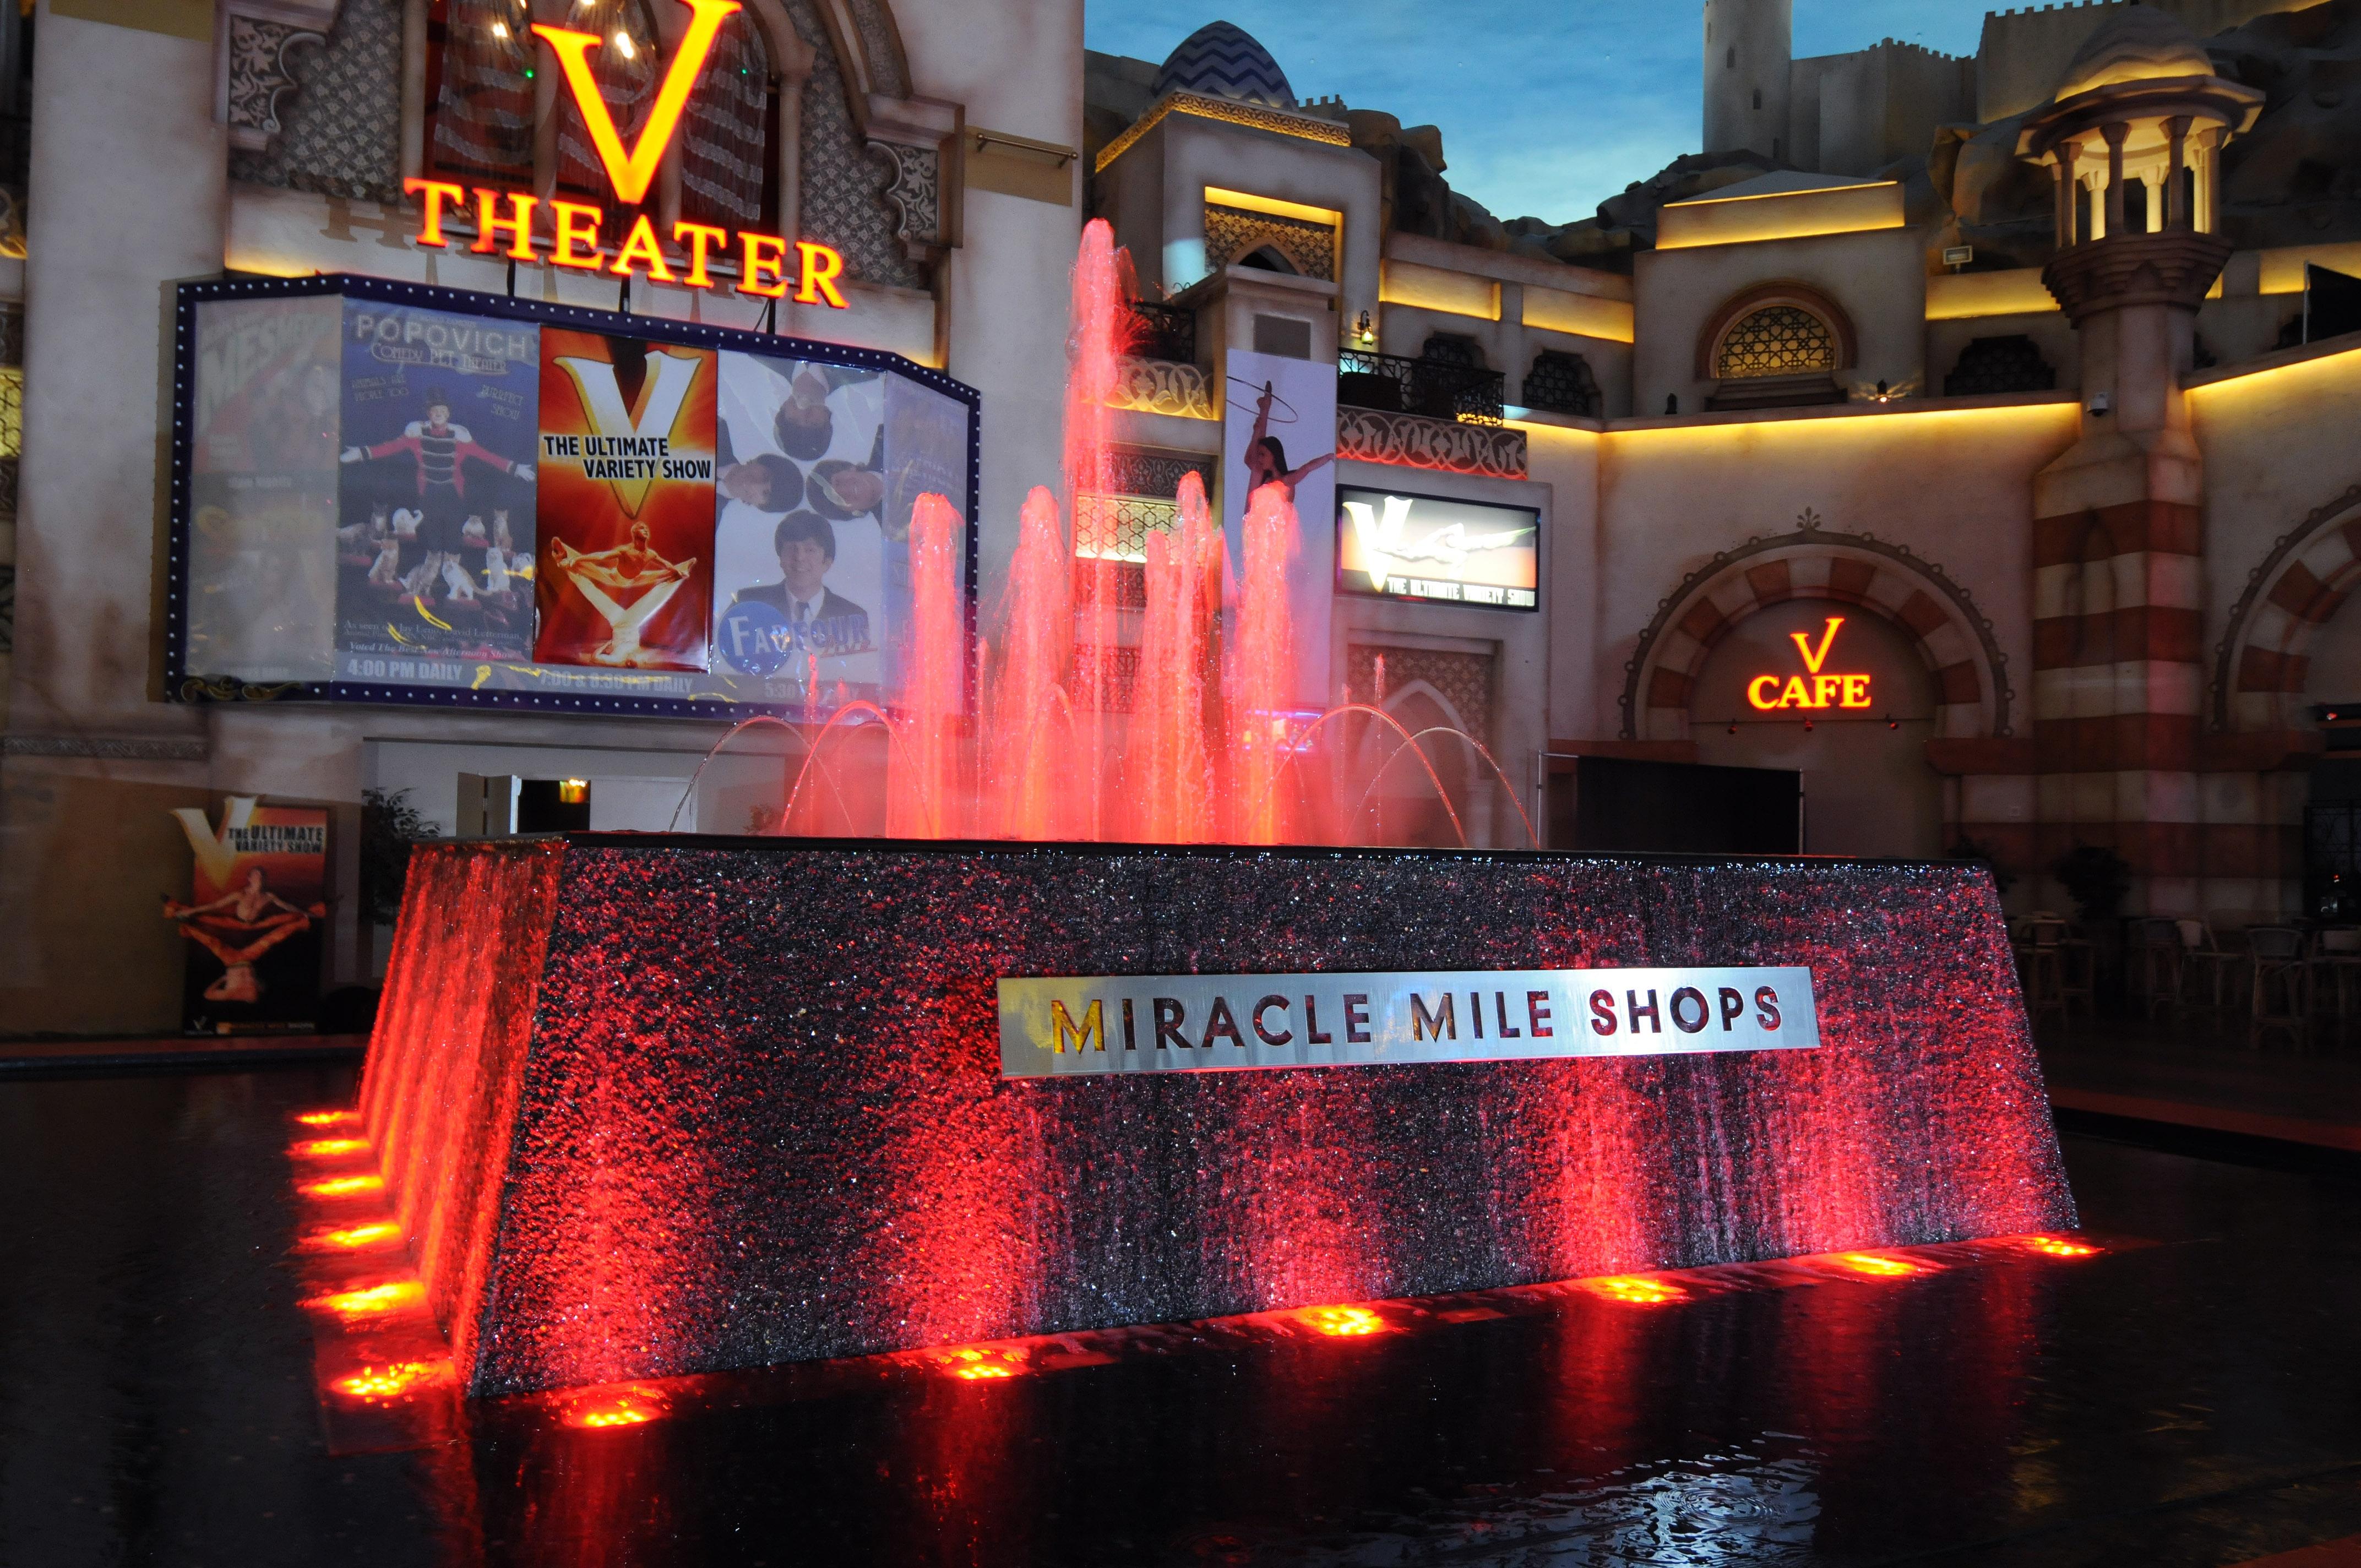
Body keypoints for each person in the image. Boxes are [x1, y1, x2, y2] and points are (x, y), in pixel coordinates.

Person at [340, 387, 534, 605]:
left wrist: (515, 469)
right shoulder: (416, 434)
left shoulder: (460, 437)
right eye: (434, 411)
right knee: (432, 545)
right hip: (429, 496)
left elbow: (486, 456)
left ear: (448, 414)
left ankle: (454, 588)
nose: (438, 414)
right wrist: (361, 453)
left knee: (452, 543)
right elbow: (390, 448)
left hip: (453, 496)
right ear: (429, 414)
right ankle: (425, 588)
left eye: (442, 410)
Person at [163, 866, 325, 1004]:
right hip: (238, 930)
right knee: (207, 920)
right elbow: (216, 905)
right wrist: (191, 911)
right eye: (256, 874)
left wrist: (306, 914)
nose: (259, 877)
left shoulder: (269, 896)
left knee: (212, 941)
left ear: (264, 879)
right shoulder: (240, 894)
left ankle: (311, 915)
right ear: (249, 878)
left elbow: (288, 906)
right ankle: (181, 911)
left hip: (246, 939)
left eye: (261, 875)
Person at [547, 521, 698, 666]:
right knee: (659, 592)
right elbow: (601, 556)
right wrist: (580, 559)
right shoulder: (641, 659)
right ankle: (683, 569)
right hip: (624, 599)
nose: (646, 530)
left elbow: (595, 658)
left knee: (591, 591)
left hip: (619, 617)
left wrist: (606, 646)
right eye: (642, 528)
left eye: (646, 528)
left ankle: (564, 560)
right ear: (635, 534)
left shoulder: (615, 660)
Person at [731, 510, 870, 654]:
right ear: (781, 558)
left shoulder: (852, 616)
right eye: (792, 548)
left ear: (827, 562)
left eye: (810, 550)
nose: (799, 557)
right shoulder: (747, 603)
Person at [1243, 380, 1333, 504]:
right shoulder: (1266, 478)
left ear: (1274, 456)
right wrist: (1256, 434)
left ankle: (1265, 408)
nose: (1260, 459)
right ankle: (1265, 408)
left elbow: (1307, 468)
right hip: (1257, 513)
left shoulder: (1286, 481)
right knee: (1255, 466)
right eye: (1260, 455)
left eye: (1263, 455)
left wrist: (1328, 457)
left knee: (1255, 466)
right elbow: (1249, 459)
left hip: (1272, 515)